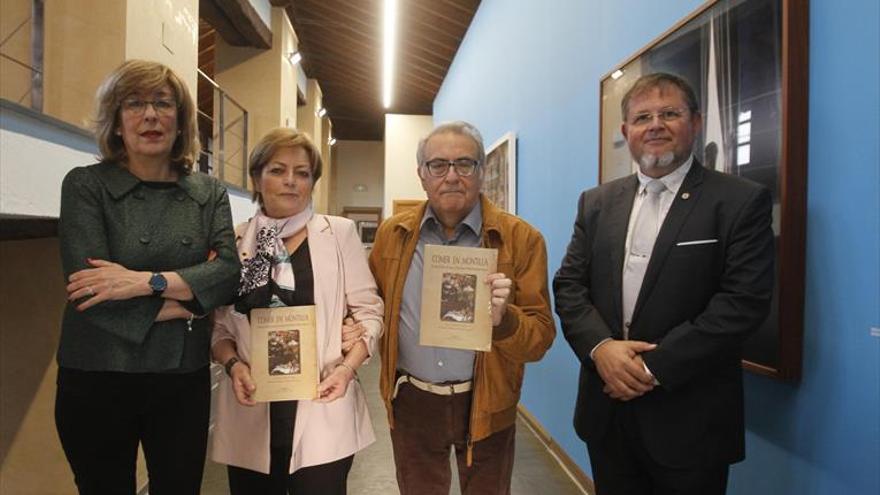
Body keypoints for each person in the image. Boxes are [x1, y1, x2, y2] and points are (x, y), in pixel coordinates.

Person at [553, 72, 775, 495]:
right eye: (642, 117)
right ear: (626, 132)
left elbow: (742, 303)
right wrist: (602, 350)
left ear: (695, 121)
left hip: (691, 421)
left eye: (669, 113)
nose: (655, 125)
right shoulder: (596, 203)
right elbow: (569, 286)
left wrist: (650, 368)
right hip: (607, 412)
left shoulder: (739, 201)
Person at [55, 59, 241, 494]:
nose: (151, 115)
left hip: (180, 379)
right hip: (97, 374)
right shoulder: (85, 186)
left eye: (163, 103)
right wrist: (187, 303)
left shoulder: (208, 193)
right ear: (117, 122)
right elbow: (89, 291)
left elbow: (228, 274)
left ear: (181, 121)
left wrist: (144, 282)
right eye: (134, 104)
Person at [366, 121, 555, 494]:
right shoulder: (393, 235)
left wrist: (504, 321)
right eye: (438, 165)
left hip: (486, 402)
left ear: (482, 172)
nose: (451, 176)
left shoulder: (522, 239)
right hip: (413, 402)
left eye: (464, 164)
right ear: (422, 175)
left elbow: (540, 339)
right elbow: (369, 307)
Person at [210, 127, 384, 494]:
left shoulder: (339, 234)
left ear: (312, 182)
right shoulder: (235, 241)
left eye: (302, 173)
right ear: (257, 178)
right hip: (252, 401)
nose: (290, 181)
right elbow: (220, 327)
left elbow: (369, 312)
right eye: (277, 170)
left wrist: (348, 368)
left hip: (324, 400)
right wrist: (233, 365)